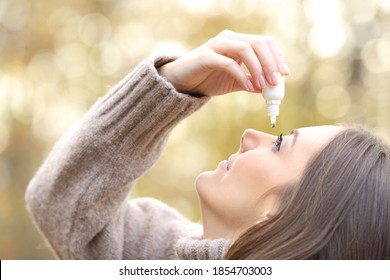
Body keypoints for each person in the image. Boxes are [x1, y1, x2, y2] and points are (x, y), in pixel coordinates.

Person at [25, 30, 390, 260]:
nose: (249, 135)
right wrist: (170, 86)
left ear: (294, 215)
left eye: (279, 145)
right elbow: (62, 206)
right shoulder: (158, 256)